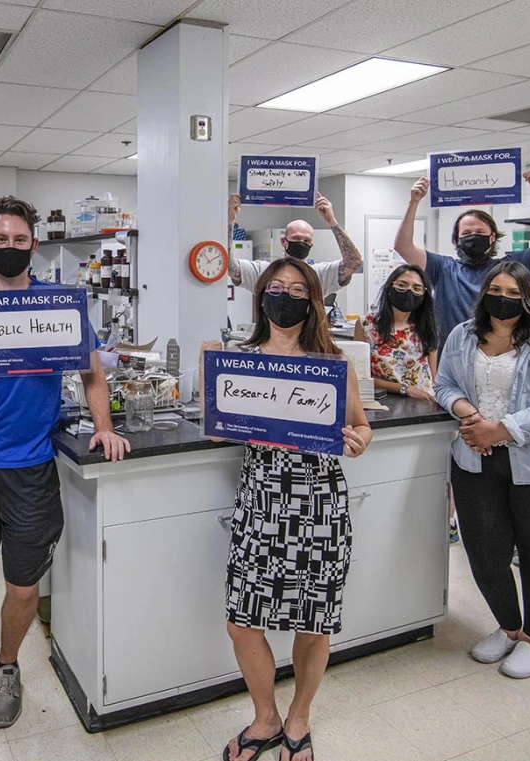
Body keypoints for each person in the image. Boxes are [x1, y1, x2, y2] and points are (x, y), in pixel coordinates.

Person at [0, 196, 130, 730]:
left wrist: (106, 427)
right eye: (0, 240)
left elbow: (93, 372)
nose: (9, 248)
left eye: (19, 241)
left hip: (31, 463)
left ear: (33, 245)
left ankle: (6, 667)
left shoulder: (60, 308)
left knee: (23, 586)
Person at [223, 258, 372, 761]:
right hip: (259, 501)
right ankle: (265, 717)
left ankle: (299, 718)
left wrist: (358, 440)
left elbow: (360, 425)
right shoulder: (239, 361)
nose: (285, 296)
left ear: (313, 301)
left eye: (297, 289)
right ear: (261, 295)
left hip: (318, 505)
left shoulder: (333, 364)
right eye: (276, 288)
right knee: (243, 620)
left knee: (314, 623)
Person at [434, 261, 530, 679]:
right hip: (476, 460)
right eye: (496, 290)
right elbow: (444, 383)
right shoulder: (462, 335)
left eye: (512, 293)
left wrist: (500, 429)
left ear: (527, 299)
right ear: (484, 292)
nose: (502, 299)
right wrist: (468, 413)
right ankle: (509, 628)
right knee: (485, 554)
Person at [393, 169, 530, 349]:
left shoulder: (510, 268)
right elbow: (403, 246)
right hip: (451, 356)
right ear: (457, 239)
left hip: (501, 355)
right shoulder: (443, 268)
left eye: (480, 232)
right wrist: (414, 202)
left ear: (492, 237)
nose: (473, 237)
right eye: (467, 233)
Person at [227, 191, 363, 298]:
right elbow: (230, 267)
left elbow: (354, 262)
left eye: (306, 240)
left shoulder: (319, 275)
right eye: (296, 238)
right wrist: (230, 222)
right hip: (270, 334)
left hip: (307, 334)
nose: (301, 243)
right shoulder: (262, 272)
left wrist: (332, 222)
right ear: (283, 241)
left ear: (311, 245)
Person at [354, 264, 439, 401]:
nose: (408, 291)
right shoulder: (366, 324)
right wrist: (403, 388)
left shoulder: (427, 327)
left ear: (424, 295)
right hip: (383, 400)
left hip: (423, 401)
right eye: (402, 285)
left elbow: (433, 377)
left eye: (416, 288)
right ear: (389, 288)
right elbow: (360, 376)